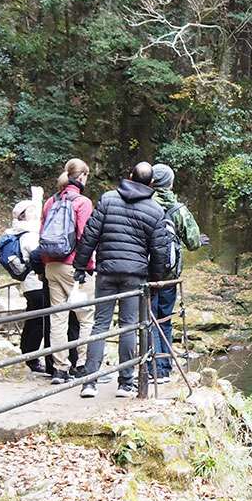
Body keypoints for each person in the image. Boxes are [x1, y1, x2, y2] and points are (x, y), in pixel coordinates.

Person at [74, 162, 170, 399]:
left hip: (106, 272)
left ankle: (89, 382)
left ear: (129, 176)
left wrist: (80, 265)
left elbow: (90, 234)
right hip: (135, 276)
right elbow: (160, 250)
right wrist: (156, 279)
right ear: (151, 184)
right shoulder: (155, 210)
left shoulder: (108, 199)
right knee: (128, 327)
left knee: (100, 325)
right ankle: (125, 384)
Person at [149, 163, 209, 381]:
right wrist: (199, 241)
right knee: (164, 319)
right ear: (170, 183)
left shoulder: (143, 205)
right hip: (168, 275)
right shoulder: (178, 210)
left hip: (145, 274)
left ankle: (150, 369)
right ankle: (163, 370)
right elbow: (193, 242)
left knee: (148, 320)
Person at [40, 159, 95, 385]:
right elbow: (85, 237)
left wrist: (46, 263)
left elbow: (41, 234)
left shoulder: (50, 201)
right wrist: (88, 267)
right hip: (73, 266)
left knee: (58, 319)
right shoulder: (82, 202)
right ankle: (82, 366)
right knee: (86, 317)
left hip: (52, 265)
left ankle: (60, 370)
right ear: (81, 177)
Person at [1, 191, 45, 374]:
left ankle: (26, 353)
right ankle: (32, 357)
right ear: (24, 215)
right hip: (36, 281)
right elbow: (38, 255)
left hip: (28, 283)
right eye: (32, 212)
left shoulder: (18, 232)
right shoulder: (29, 235)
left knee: (33, 317)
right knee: (39, 321)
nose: (36, 215)